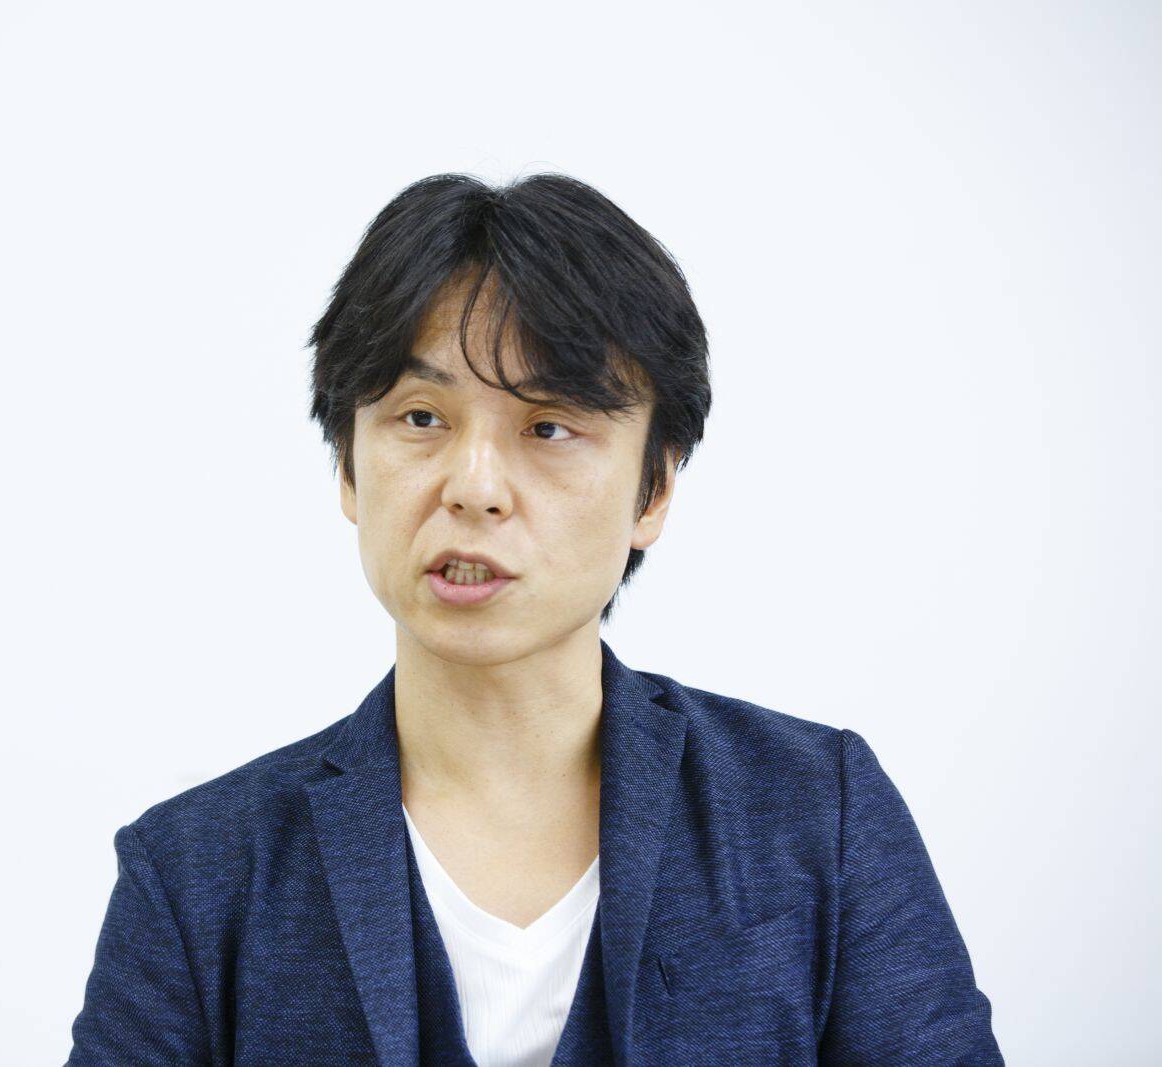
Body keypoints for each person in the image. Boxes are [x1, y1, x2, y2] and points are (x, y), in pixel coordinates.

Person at [61, 173, 1004, 1065]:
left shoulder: (816, 813)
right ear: (348, 465)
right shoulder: (194, 873)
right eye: (421, 417)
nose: (473, 487)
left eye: (548, 427)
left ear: (653, 489)